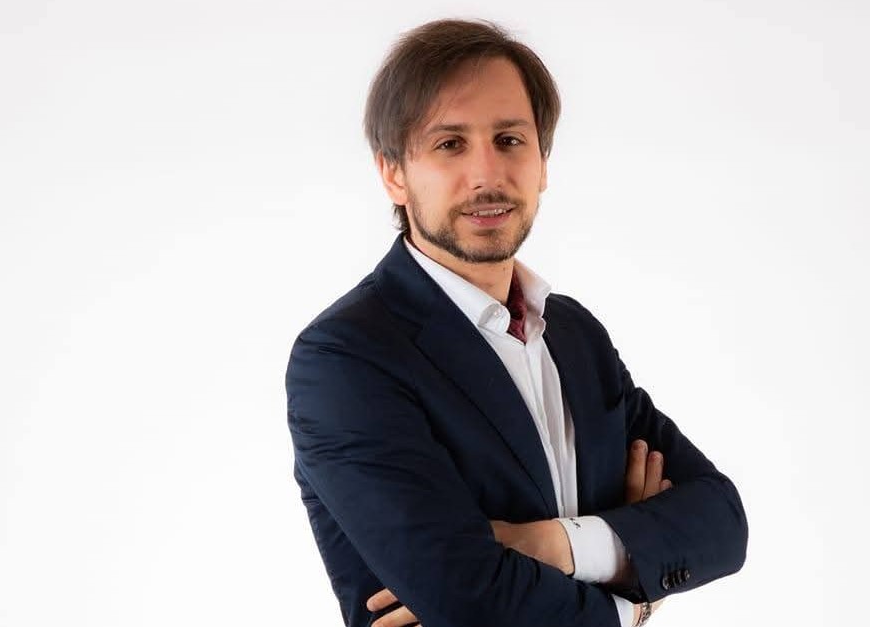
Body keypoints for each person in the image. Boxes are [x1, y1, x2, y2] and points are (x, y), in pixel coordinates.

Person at [286, 18, 747, 627]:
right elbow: (469, 599)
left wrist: (554, 545)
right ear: (393, 173)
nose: (487, 175)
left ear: (542, 162)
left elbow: (722, 523)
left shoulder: (575, 335)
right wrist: (634, 598)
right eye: (450, 144)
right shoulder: (345, 357)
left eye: (509, 139)